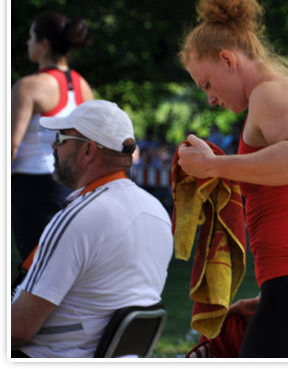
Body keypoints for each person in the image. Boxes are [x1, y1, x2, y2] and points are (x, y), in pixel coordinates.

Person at [176, 0, 288, 358]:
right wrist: (266, 296)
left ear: (228, 60)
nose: (210, 99)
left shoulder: (270, 93)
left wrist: (215, 165)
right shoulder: (281, 93)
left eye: (207, 84)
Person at [11, 100, 173, 358]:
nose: (54, 146)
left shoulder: (79, 216)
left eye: (61, 139)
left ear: (87, 151)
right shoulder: (157, 213)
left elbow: (17, 329)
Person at [11, 11, 95, 261]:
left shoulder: (29, 86)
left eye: (30, 37)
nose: (28, 43)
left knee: (35, 269)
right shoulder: (84, 86)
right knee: (65, 268)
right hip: (72, 187)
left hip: (34, 186)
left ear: (43, 43)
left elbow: (11, 144)